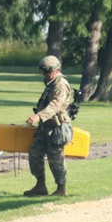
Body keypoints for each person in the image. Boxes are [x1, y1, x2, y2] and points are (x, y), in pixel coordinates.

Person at [24, 55, 73, 197]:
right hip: (45, 126)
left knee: (55, 158)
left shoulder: (60, 84)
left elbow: (55, 106)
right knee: (35, 153)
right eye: (43, 71)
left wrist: (38, 116)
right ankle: (40, 185)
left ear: (54, 70)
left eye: (46, 71)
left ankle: (61, 188)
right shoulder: (50, 82)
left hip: (57, 127)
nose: (44, 74)